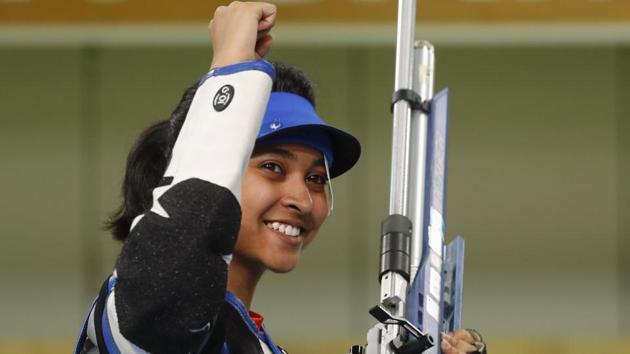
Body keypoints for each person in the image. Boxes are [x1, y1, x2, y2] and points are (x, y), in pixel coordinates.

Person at [74, 2, 486, 354]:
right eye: (272, 167)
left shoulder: (252, 340)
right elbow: (179, 256)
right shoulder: (138, 314)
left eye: (316, 178)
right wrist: (231, 73)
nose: (303, 199)